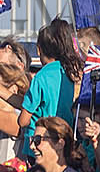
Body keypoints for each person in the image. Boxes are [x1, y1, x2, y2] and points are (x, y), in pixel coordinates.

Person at [16, 19, 82, 157]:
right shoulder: (69, 73)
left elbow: (23, 120)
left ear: (39, 50)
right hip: (62, 143)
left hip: (38, 144)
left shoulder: (41, 77)